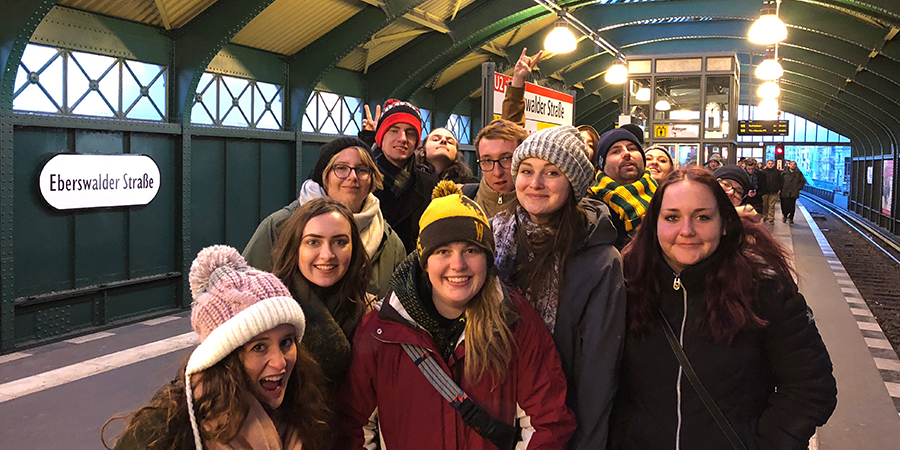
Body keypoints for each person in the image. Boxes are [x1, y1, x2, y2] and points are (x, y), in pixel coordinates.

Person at [334, 181, 576, 450]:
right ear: (424, 262)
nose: (458, 265)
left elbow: (547, 422)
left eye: (471, 250)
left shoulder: (515, 323)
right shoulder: (382, 330)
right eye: (443, 252)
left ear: (487, 257)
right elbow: (354, 426)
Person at [611, 167, 837, 450]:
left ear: (724, 223)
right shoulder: (629, 285)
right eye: (672, 217)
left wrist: (769, 443)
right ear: (654, 225)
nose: (687, 230)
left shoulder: (762, 288)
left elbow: (811, 387)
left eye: (703, 217)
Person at [104, 245, 330, 450]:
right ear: (224, 357)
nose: (280, 362)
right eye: (259, 347)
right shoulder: (165, 433)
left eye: (286, 342)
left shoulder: (303, 413)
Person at [491, 125, 625, 450]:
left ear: (573, 183)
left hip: (561, 423)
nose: (535, 184)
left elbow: (599, 374)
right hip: (493, 412)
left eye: (551, 172)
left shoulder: (601, 261)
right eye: (526, 171)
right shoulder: (491, 238)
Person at [243, 137, 405, 298]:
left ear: (372, 179)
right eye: (341, 168)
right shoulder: (280, 226)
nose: (353, 176)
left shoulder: (390, 243)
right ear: (324, 175)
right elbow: (244, 293)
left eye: (362, 169)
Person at [270, 198, 376, 393]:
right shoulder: (268, 312)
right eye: (313, 242)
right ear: (295, 248)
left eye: (339, 242)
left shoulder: (371, 313)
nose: (327, 254)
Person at [360, 99, 438, 252]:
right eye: (394, 130)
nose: (402, 138)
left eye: (410, 133)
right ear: (381, 136)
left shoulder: (430, 186)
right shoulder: (359, 181)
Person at [587, 127, 658, 249]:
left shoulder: (663, 196)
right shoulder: (592, 207)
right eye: (615, 151)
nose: (626, 154)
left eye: (632, 148)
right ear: (602, 165)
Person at [470, 118, 529, 217]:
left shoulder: (540, 208)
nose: (497, 172)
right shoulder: (464, 200)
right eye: (487, 161)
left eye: (506, 158)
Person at [760, 159, 783, 223]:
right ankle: (765, 215)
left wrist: (779, 189)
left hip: (774, 191)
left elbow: (780, 181)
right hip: (764, 191)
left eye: (771, 163)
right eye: (769, 163)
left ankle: (771, 217)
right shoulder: (763, 172)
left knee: (772, 205)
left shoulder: (777, 172)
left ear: (773, 164)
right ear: (766, 164)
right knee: (764, 205)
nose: (770, 165)